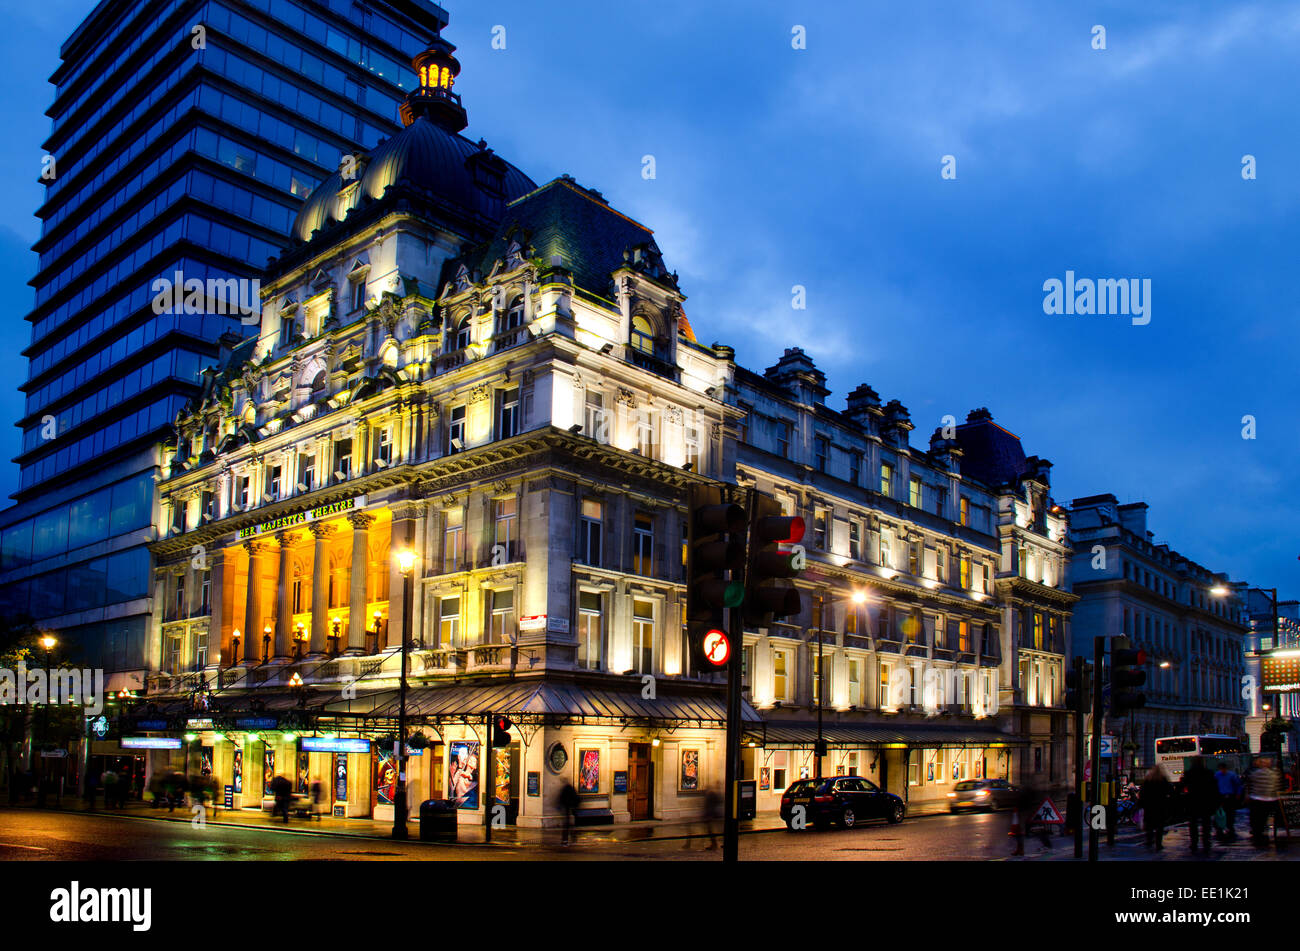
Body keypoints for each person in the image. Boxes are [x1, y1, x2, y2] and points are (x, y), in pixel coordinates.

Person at [1181, 757, 1218, 852]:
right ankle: (1206, 841)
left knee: (1193, 823)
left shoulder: (1188, 773)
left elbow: (1183, 786)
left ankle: (1194, 842)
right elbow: (1214, 788)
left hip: (1193, 801)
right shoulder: (1209, 773)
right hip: (1205, 800)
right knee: (1206, 823)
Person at [1247, 756, 1282, 844]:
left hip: (1258, 799)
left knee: (1258, 818)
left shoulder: (1255, 774)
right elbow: (1277, 786)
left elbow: (1250, 784)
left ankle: (1259, 832)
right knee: (1266, 816)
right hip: (1271, 799)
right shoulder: (1274, 774)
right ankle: (1264, 831)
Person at [1140, 765, 1173, 850]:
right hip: (1160, 805)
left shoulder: (1148, 780)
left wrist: (1142, 803)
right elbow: (1169, 791)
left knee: (1149, 825)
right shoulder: (1163, 780)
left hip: (1149, 805)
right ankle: (1159, 843)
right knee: (1160, 826)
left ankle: (1149, 841)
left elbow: (1142, 793)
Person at [1215, 761, 1243, 840]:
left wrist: (1238, 794)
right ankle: (1223, 827)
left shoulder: (1231, 775)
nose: (1222, 771)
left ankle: (1229, 826)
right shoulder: (1218, 775)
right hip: (1222, 796)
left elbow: (1238, 785)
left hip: (1229, 796)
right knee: (1222, 813)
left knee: (1229, 812)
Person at [558, 781, 580, 846]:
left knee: (567, 825)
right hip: (571, 808)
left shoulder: (565, 790)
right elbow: (576, 798)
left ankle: (565, 839)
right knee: (570, 824)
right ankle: (573, 837)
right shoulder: (571, 789)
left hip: (567, 808)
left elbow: (561, 798)